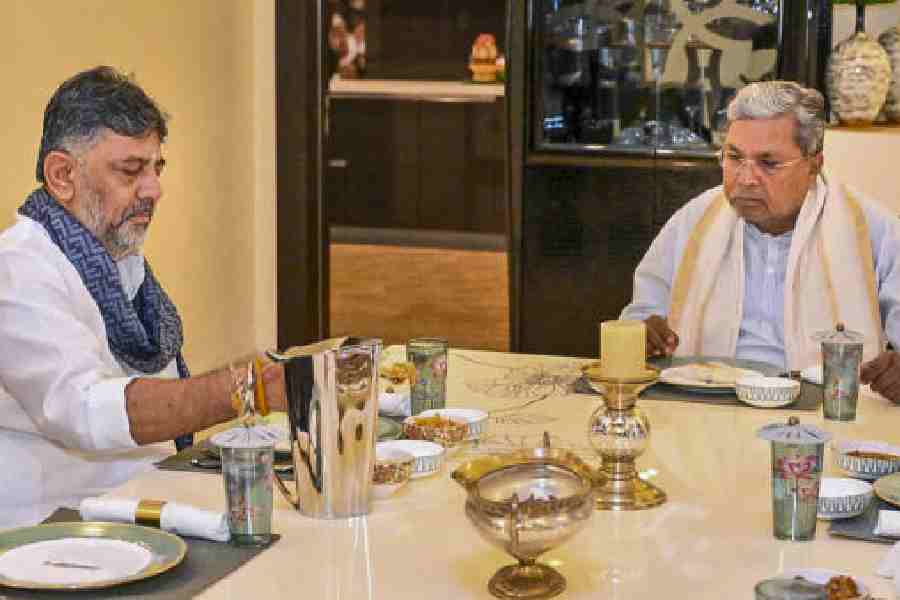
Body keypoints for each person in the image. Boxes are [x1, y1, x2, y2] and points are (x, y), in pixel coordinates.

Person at [0, 66, 286, 528]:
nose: (154, 189)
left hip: (141, 501)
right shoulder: (16, 269)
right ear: (62, 175)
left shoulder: (117, 257)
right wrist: (247, 389)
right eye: (131, 170)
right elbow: (85, 410)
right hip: (55, 535)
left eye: (156, 168)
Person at [620, 80, 900, 403]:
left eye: (768, 163)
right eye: (734, 157)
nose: (746, 178)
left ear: (814, 165)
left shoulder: (870, 228)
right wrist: (643, 335)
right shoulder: (695, 221)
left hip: (828, 411)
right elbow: (638, 322)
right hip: (708, 405)